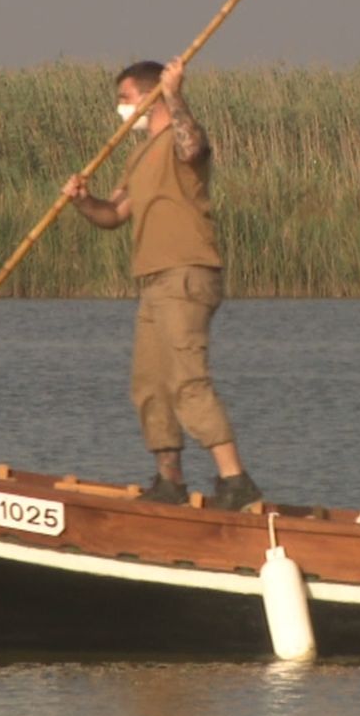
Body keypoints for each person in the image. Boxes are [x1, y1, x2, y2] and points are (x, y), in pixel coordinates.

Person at [61, 58, 263, 511]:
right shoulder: (138, 155)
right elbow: (112, 215)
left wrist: (175, 93)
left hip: (187, 273)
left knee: (187, 381)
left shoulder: (178, 139)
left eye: (125, 98)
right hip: (151, 282)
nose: (120, 109)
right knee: (150, 383)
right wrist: (82, 200)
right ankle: (169, 479)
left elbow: (194, 149)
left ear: (149, 96)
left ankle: (236, 480)